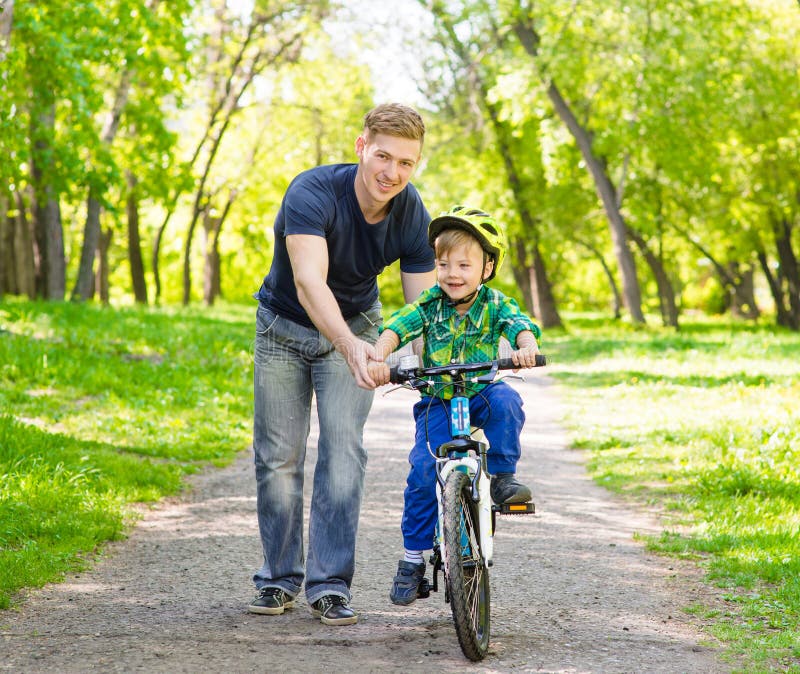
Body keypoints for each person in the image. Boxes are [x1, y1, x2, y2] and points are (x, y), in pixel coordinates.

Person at [248, 103, 436, 626]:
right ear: (361, 147)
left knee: (343, 453)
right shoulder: (312, 192)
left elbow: (421, 307)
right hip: (283, 329)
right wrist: (350, 345)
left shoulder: (410, 211)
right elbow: (309, 282)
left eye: (406, 163)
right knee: (279, 457)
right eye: (383, 156)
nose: (391, 173)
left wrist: (427, 368)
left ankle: (329, 586)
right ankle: (278, 580)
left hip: (356, 323)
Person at [366, 205, 542, 606]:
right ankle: (411, 560)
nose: (452, 273)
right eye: (443, 264)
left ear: (487, 267)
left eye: (465, 264)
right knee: (423, 471)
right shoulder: (430, 304)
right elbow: (398, 325)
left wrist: (525, 347)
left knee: (507, 400)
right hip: (438, 402)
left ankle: (503, 478)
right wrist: (381, 352)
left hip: (479, 392)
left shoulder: (495, 304)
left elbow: (519, 326)